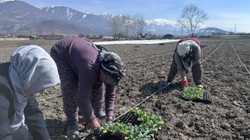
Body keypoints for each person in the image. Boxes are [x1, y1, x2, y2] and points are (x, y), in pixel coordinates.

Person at [50, 37, 126, 137]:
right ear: (102, 71)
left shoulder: (112, 70)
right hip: (61, 53)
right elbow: (82, 99)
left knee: (97, 84)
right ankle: (72, 121)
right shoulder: (90, 69)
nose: (108, 83)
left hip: (80, 56)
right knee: (70, 88)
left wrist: (109, 118)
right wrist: (93, 122)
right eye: (107, 80)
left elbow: (110, 94)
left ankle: (97, 110)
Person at [0, 45, 60, 140]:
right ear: (31, 76)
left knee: (22, 133)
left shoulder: (22, 82)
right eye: (40, 85)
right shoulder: (2, 90)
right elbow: (2, 132)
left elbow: (34, 115)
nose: (41, 92)